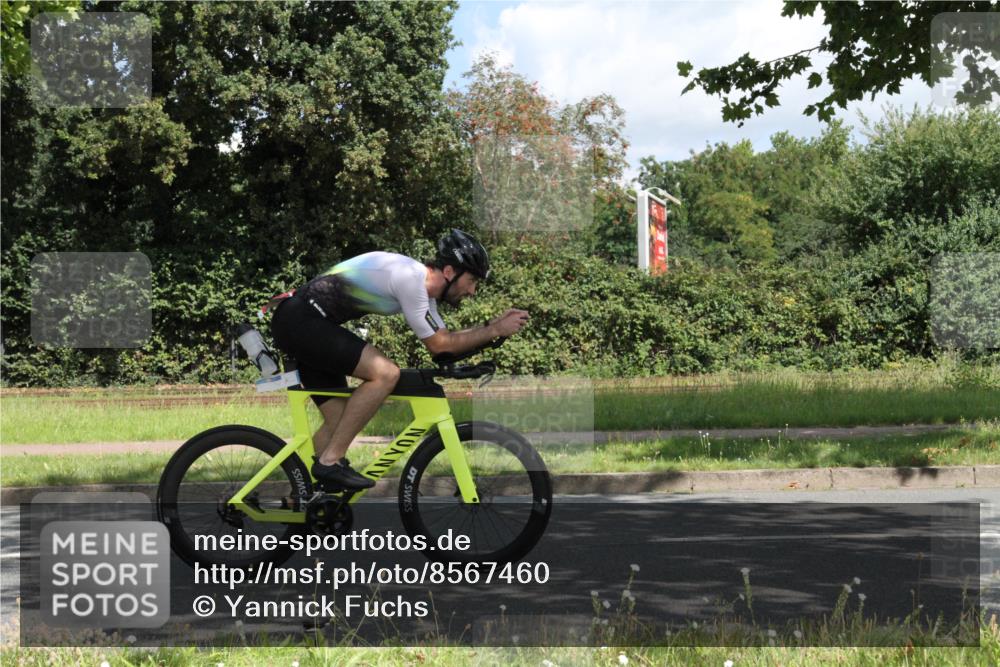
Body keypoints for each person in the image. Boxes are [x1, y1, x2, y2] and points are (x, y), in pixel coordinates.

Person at [268, 229, 530, 491]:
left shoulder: (424, 294)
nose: (473, 290)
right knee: (385, 374)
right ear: (450, 272)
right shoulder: (410, 279)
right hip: (301, 321)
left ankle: (305, 498)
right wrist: (494, 330)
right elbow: (440, 345)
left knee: (341, 420)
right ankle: (329, 462)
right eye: (472, 280)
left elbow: (444, 346)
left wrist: (491, 328)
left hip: (307, 323)